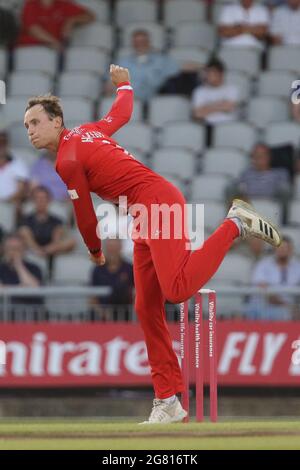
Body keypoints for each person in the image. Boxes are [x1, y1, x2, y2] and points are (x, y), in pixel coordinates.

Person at [24, 64, 281, 424]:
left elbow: (84, 216)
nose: (30, 131)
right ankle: (168, 400)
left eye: (35, 122)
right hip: (144, 211)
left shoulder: (67, 160)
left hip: (155, 203)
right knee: (146, 306)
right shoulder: (87, 133)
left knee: (175, 290)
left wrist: (95, 250)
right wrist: (125, 85)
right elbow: (121, 113)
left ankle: (235, 224)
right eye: (26, 126)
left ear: (56, 121)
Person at [105, 30, 180, 102]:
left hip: (154, 98)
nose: (140, 44)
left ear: (149, 42)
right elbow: (110, 83)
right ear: (133, 44)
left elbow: (176, 73)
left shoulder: (162, 60)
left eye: (143, 41)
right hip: (127, 99)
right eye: (137, 42)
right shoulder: (123, 62)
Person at [18, 185, 75, 276]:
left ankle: (43, 252)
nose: (40, 201)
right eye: (37, 198)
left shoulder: (56, 220)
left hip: (50, 249)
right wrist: (36, 249)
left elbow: (58, 239)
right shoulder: (26, 219)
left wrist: (46, 250)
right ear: (33, 201)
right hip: (32, 249)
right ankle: (39, 252)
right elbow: (23, 236)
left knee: (71, 241)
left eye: (43, 198)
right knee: (24, 232)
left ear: (49, 200)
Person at [246, 236, 300, 320]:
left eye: (286, 248)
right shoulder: (263, 264)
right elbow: (263, 290)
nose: (282, 250)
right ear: (274, 249)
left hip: (291, 310)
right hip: (265, 308)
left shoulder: (297, 266)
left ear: (291, 250)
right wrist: (285, 306)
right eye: (280, 247)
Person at [17, 0, 95, 50]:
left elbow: (90, 16)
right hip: (30, 48)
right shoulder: (31, 4)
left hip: (55, 51)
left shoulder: (63, 4)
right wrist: (55, 43)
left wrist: (72, 21)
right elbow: (33, 29)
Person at [90, 238, 134, 321]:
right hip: (101, 318)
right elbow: (92, 297)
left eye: (115, 249)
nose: (112, 252)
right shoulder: (97, 270)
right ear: (106, 249)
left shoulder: (129, 268)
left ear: (120, 248)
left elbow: (136, 293)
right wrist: (102, 313)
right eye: (110, 249)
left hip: (126, 316)